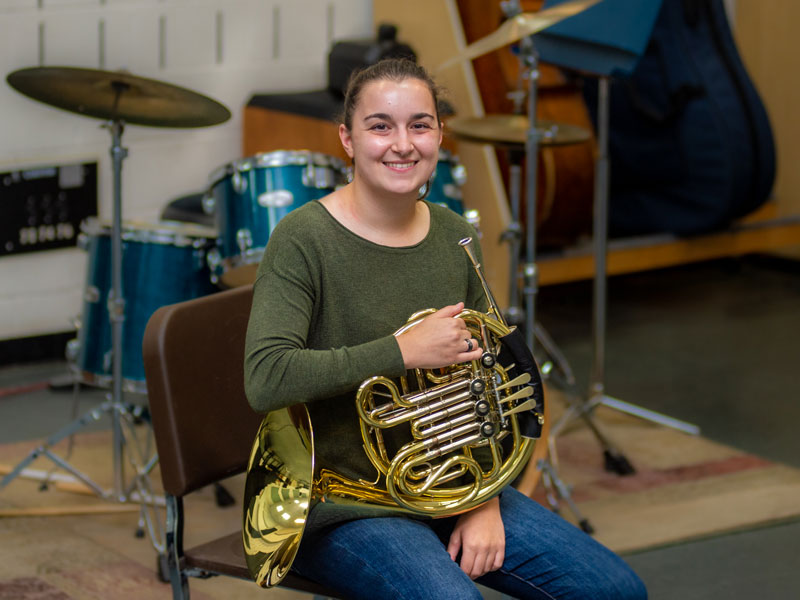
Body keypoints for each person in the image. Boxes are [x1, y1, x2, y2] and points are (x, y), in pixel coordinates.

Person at [244, 58, 647, 600]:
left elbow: (491, 381)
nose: (402, 144)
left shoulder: (455, 235)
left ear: (440, 134)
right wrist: (400, 352)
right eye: (380, 126)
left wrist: (483, 503)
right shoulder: (302, 239)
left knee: (617, 590)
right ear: (347, 138)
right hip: (343, 504)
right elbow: (266, 379)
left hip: (455, 483)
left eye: (420, 125)